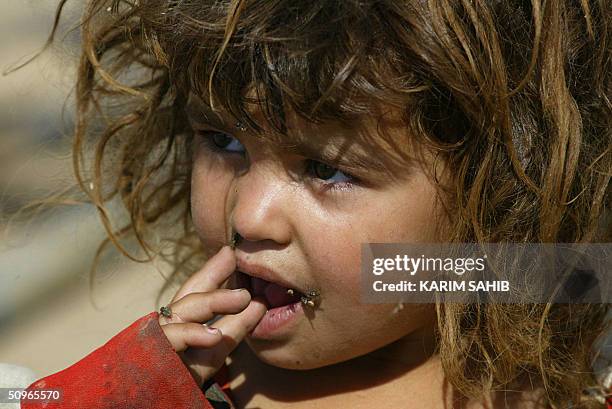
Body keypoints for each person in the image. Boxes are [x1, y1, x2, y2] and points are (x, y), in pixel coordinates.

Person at [14, 0, 612, 408]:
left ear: (493, 195)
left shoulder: (571, 373)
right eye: (225, 142)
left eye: (327, 170)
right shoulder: (183, 379)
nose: (248, 216)